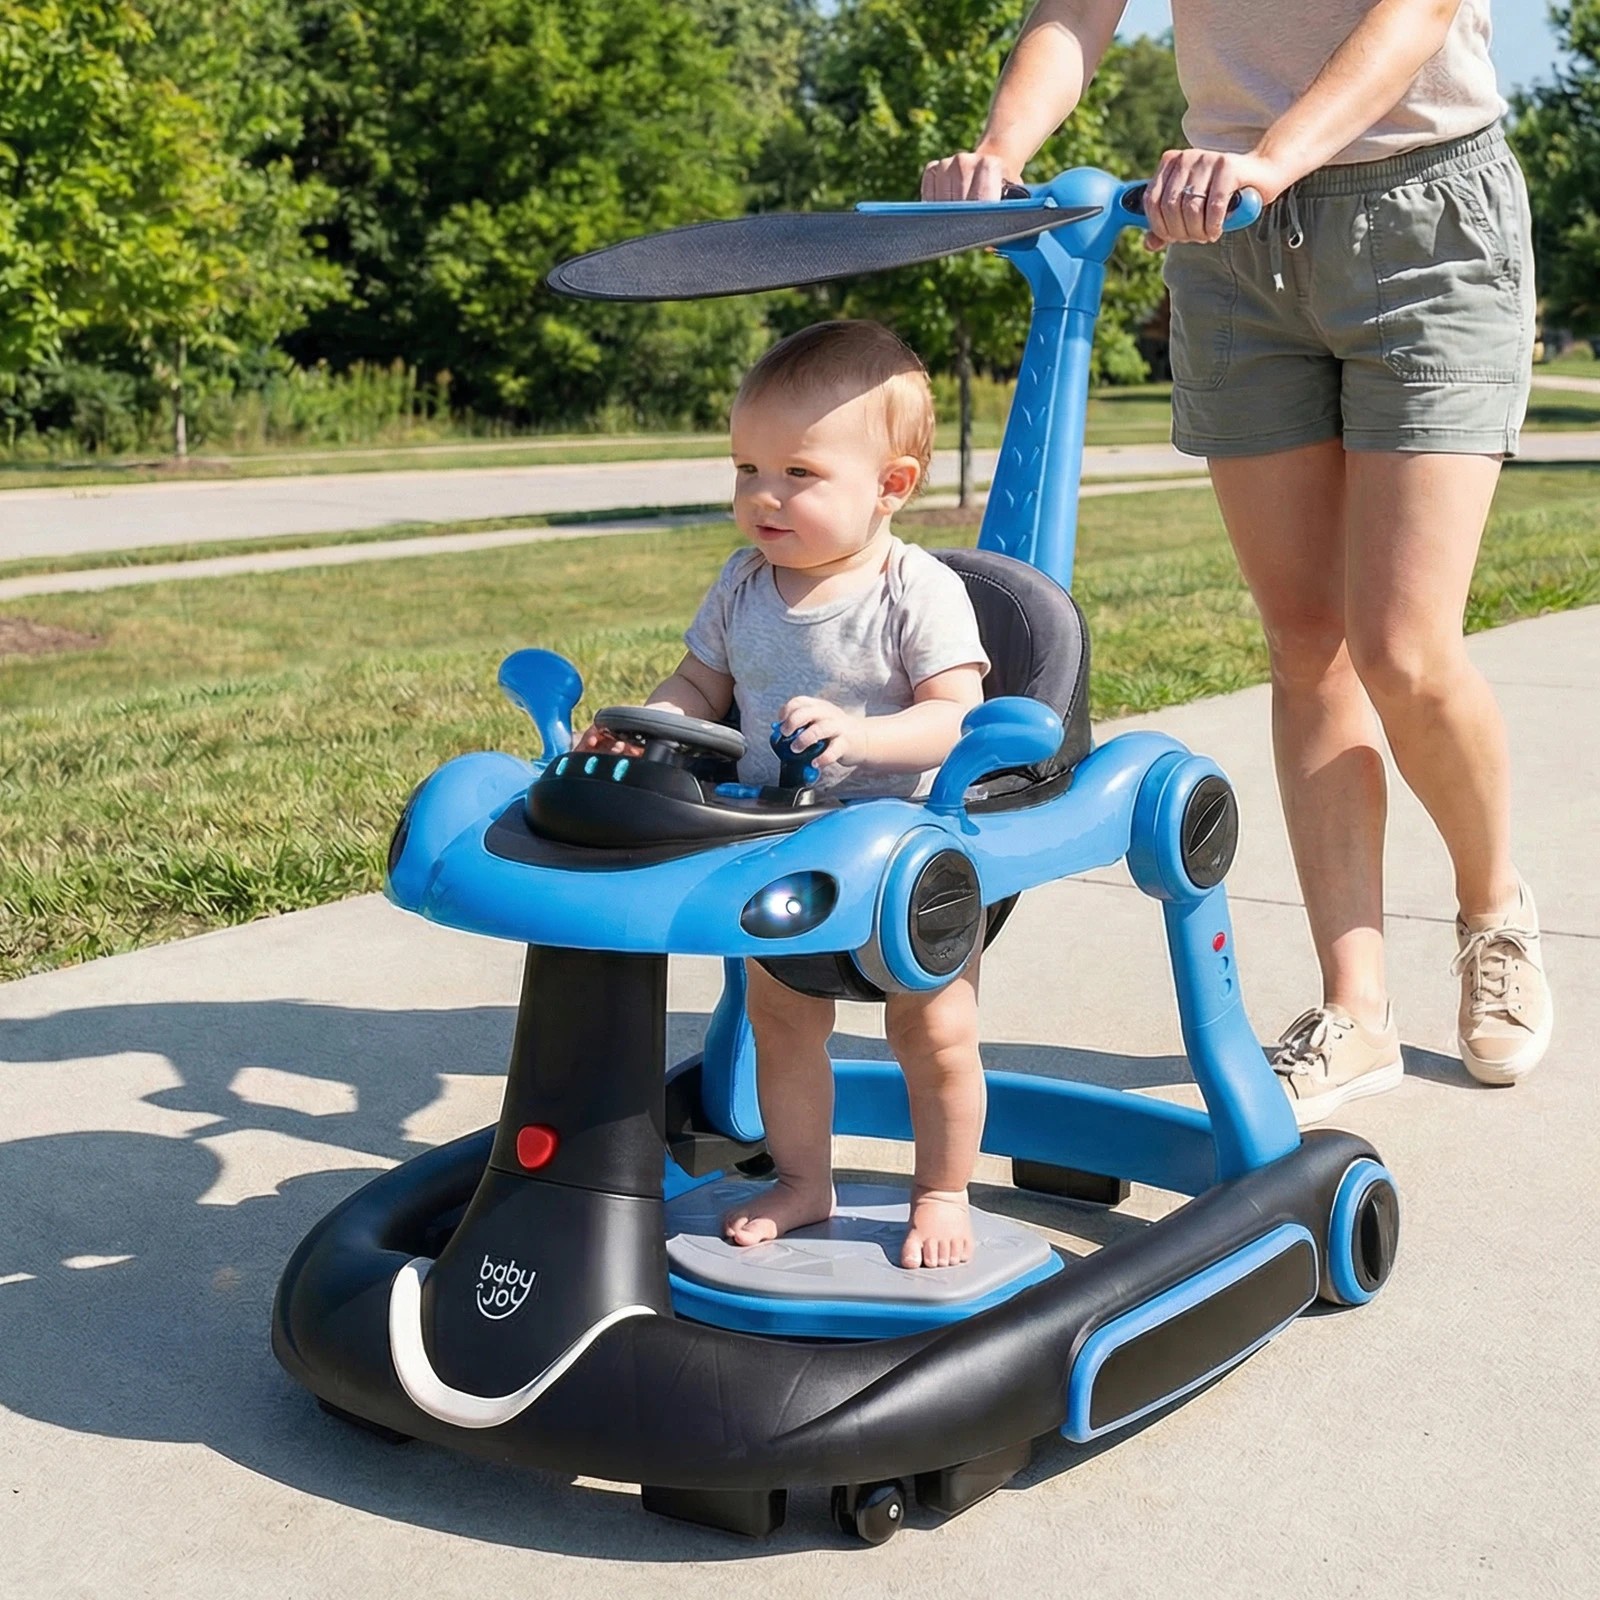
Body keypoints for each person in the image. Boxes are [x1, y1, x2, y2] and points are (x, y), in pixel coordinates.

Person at [923, 0, 1552, 1124]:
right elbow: (1075, 11)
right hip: (1226, 235)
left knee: (1402, 648)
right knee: (1307, 643)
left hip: (1422, 213)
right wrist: (998, 153)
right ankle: (1354, 1008)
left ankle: (1492, 907)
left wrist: (1275, 155)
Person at [577, 320, 992, 1267]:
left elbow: (956, 717)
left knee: (935, 1029)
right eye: (746, 469)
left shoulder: (914, 590)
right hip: (782, 849)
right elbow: (699, 685)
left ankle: (942, 1189)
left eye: (798, 473)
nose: (763, 495)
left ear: (891, 486)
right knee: (782, 1023)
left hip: (904, 861)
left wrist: (863, 736)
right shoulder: (742, 584)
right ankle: (804, 1179)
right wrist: (648, 722)